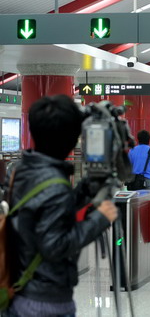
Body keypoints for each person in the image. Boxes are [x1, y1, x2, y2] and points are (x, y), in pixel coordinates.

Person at [7, 95, 118, 317]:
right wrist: (100, 219)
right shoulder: (55, 185)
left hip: (22, 290)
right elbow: (54, 245)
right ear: (72, 139)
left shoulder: (24, 170)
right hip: (45, 303)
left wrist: (83, 191)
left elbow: (44, 211)